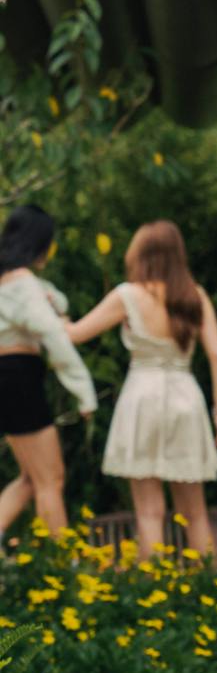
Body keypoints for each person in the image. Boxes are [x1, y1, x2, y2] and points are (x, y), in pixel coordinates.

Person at [68, 221, 217, 558]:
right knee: (196, 511)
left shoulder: (127, 295)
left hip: (142, 397)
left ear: (140, 253)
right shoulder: (194, 296)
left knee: (149, 511)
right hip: (185, 397)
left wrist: (46, 314)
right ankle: (213, 593)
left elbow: (75, 334)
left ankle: (154, 590)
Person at [0, 204, 97, 536]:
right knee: (51, 479)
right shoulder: (24, 284)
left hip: (6, 377)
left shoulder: (8, 283)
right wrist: (84, 392)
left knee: (31, 479)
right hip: (18, 375)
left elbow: (56, 304)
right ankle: (62, 566)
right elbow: (54, 337)